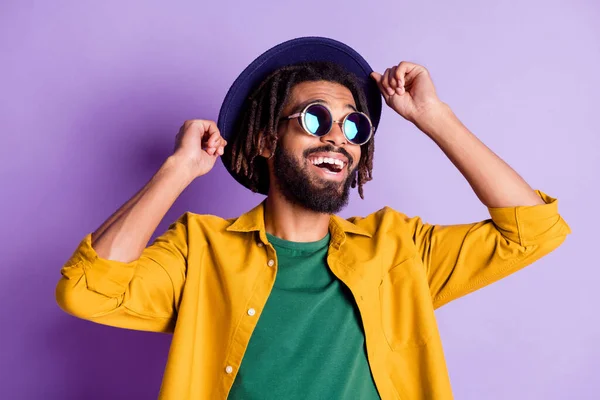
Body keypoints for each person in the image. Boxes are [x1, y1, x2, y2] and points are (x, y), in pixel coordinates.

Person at [55, 37, 571, 400]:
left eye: (353, 125)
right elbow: (87, 289)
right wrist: (179, 168)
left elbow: (533, 231)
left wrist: (435, 117)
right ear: (265, 140)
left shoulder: (398, 248)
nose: (337, 138)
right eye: (315, 118)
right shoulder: (200, 249)